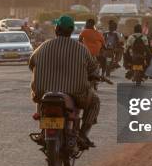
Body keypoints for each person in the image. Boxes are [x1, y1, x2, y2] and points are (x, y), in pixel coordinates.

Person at [29, 15, 100, 148]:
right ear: (71, 30)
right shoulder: (81, 49)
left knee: (41, 98)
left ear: (56, 29)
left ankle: (43, 131)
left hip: (43, 92)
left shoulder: (43, 46)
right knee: (95, 102)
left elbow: (31, 63)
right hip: (76, 94)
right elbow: (93, 69)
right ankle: (83, 134)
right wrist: (94, 76)